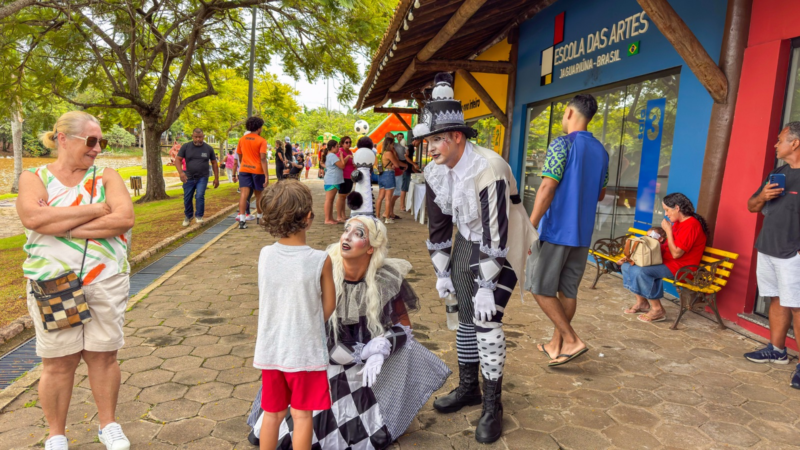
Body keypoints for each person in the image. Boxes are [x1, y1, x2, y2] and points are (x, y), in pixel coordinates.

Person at [247, 216, 451, 449]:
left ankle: (388, 411)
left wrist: (382, 347)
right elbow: (313, 332)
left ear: (371, 248)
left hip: (365, 357)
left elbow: (405, 325)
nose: (346, 236)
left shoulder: (386, 278)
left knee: (409, 349)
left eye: (358, 233)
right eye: (346, 230)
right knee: (305, 413)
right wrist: (360, 352)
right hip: (321, 351)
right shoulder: (324, 269)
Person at [414, 72, 536, 444]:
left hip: (504, 242)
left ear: (457, 137)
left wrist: (487, 285)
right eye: (429, 140)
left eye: (436, 139)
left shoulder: (489, 168)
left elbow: (496, 234)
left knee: (488, 319)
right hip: (470, 236)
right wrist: (441, 270)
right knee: (464, 314)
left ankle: (493, 405)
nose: (430, 147)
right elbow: (439, 226)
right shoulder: (435, 171)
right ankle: (470, 387)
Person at [16, 111, 135, 450]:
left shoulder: (106, 175)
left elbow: (124, 218)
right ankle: (56, 434)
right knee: (58, 362)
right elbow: (34, 217)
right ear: (63, 139)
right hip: (54, 284)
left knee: (103, 355)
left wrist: (62, 228)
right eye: (92, 141)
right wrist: (98, 210)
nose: (98, 149)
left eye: (102, 142)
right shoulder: (33, 176)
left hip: (105, 280)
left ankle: (108, 425)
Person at [526, 93, 609, 367]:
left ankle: (571, 340)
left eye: (563, 115)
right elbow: (600, 194)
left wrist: (531, 224)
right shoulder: (602, 152)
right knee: (567, 290)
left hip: (557, 229)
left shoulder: (562, 144)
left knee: (539, 286)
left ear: (569, 113)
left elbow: (548, 186)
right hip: (583, 233)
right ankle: (556, 344)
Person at [253, 180, 337, 450]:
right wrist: (309, 324)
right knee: (302, 416)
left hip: (272, 350)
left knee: (272, 414)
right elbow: (329, 305)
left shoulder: (265, 254)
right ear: (309, 217)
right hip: (305, 352)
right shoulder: (320, 259)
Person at [744, 122, 800, 389]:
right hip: (768, 248)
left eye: (779, 140)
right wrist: (764, 195)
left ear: (795, 143)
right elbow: (751, 206)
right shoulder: (778, 172)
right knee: (778, 299)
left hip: (793, 253)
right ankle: (777, 350)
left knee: (798, 307)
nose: (775, 144)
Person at [620, 194, 708, 322]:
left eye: (667, 210)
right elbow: (667, 247)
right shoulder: (678, 223)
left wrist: (668, 231)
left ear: (677, 208)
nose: (666, 214)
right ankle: (642, 302)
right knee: (628, 265)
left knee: (642, 272)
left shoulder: (691, 225)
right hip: (666, 261)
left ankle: (657, 310)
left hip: (682, 267)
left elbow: (677, 254)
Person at [175, 128, 219, 227]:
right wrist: (181, 173)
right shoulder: (186, 147)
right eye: (196, 137)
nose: (198, 139)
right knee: (187, 198)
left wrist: (216, 178)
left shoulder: (208, 148)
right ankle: (188, 216)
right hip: (188, 177)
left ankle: (199, 216)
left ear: (203, 137)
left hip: (202, 177)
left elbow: (214, 163)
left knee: (199, 196)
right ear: (192, 136)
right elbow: (177, 160)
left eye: (200, 137)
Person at [236, 117, 269, 230]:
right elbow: (263, 159)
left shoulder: (242, 139)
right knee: (259, 195)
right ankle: (260, 217)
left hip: (244, 170)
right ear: (259, 128)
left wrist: (244, 164)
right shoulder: (262, 141)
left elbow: (240, 156)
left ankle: (242, 220)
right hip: (258, 171)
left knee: (244, 195)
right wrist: (266, 175)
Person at [376, 136, 404, 224]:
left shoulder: (382, 153)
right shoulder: (389, 153)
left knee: (380, 197)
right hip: (389, 174)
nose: (393, 145)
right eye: (392, 144)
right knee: (388, 198)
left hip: (382, 175)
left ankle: (377, 217)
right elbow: (396, 164)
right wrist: (394, 163)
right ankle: (387, 218)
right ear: (389, 144)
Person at [323, 139, 347, 225]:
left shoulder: (331, 155)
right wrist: (341, 156)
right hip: (331, 180)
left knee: (331, 200)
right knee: (329, 200)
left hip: (334, 180)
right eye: (337, 146)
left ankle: (330, 218)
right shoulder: (332, 156)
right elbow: (342, 165)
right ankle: (327, 219)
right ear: (332, 147)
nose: (338, 148)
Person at [335, 136, 355, 222]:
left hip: (350, 176)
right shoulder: (340, 151)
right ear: (342, 143)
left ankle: (343, 215)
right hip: (343, 176)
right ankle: (339, 216)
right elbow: (342, 164)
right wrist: (347, 157)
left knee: (345, 196)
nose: (348, 144)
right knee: (341, 196)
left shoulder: (350, 151)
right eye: (346, 142)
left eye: (350, 142)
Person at [390, 133, 408, 219]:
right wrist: (404, 165)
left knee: (395, 193)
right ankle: (388, 212)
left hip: (398, 170)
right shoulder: (392, 149)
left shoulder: (396, 147)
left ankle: (390, 212)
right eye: (398, 137)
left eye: (401, 137)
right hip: (396, 171)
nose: (400, 138)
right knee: (395, 193)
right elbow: (396, 162)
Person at [399, 137, 420, 212]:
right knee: (404, 188)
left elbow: (409, 162)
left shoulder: (410, 147)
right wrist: (414, 164)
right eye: (419, 142)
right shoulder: (410, 147)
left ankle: (404, 205)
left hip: (409, 169)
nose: (419, 144)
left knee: (406, 188)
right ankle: (402, 206)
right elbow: (407, 157)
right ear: (415, 140)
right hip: (407, 170)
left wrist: (416, 171)